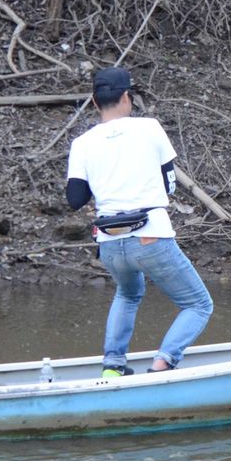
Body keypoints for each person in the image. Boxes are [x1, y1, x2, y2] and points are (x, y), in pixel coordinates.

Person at [66, 67, 213, 377]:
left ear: (94, 102)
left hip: (109, 243)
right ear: (125, 98)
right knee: (198, 305)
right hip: (150, 237)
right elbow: (170, 184)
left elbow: (75, 198)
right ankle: (162, 363)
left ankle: (113, 365)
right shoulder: (150, 128)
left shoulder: (82, 144)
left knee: (128, 293)